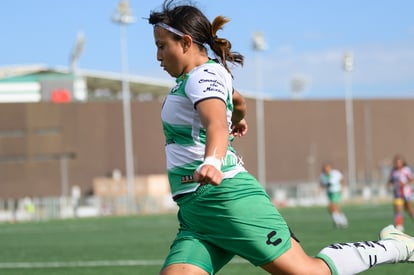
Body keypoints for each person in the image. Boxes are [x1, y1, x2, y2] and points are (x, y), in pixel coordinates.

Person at [147, 1, 414, 274]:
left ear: (186, 42)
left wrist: (213, 160)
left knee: (308, 272)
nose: (158, 56)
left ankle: (394, 247)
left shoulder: (201, 77)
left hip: (225, 198)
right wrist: (236, 119)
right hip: (196, 213)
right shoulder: (200, 77)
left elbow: (215, 122)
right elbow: (237, 102)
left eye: (161, 45)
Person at [388, 154, 414, 232]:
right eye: (396, 162)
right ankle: (399, 226)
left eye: (399, 162)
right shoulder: (393, 171)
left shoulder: (406, 170)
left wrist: (405, 184)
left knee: (409, 209)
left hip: (406, 193)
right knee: (398, 209)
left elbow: (411, 179)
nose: (397, 164)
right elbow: (391, 180)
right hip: (397, 194)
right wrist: (389, 183)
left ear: (402, 162)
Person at [320, 163, 348, 228]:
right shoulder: (322, 175)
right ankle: (339, 221)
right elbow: (322, 183)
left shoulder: (335, 173)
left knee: (332, 206)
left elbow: (342, 180)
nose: (326, 170)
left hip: (336, 191)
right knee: (333, 208)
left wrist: (342, 188)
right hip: (329, 193)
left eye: (327, 168)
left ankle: (342, 221)